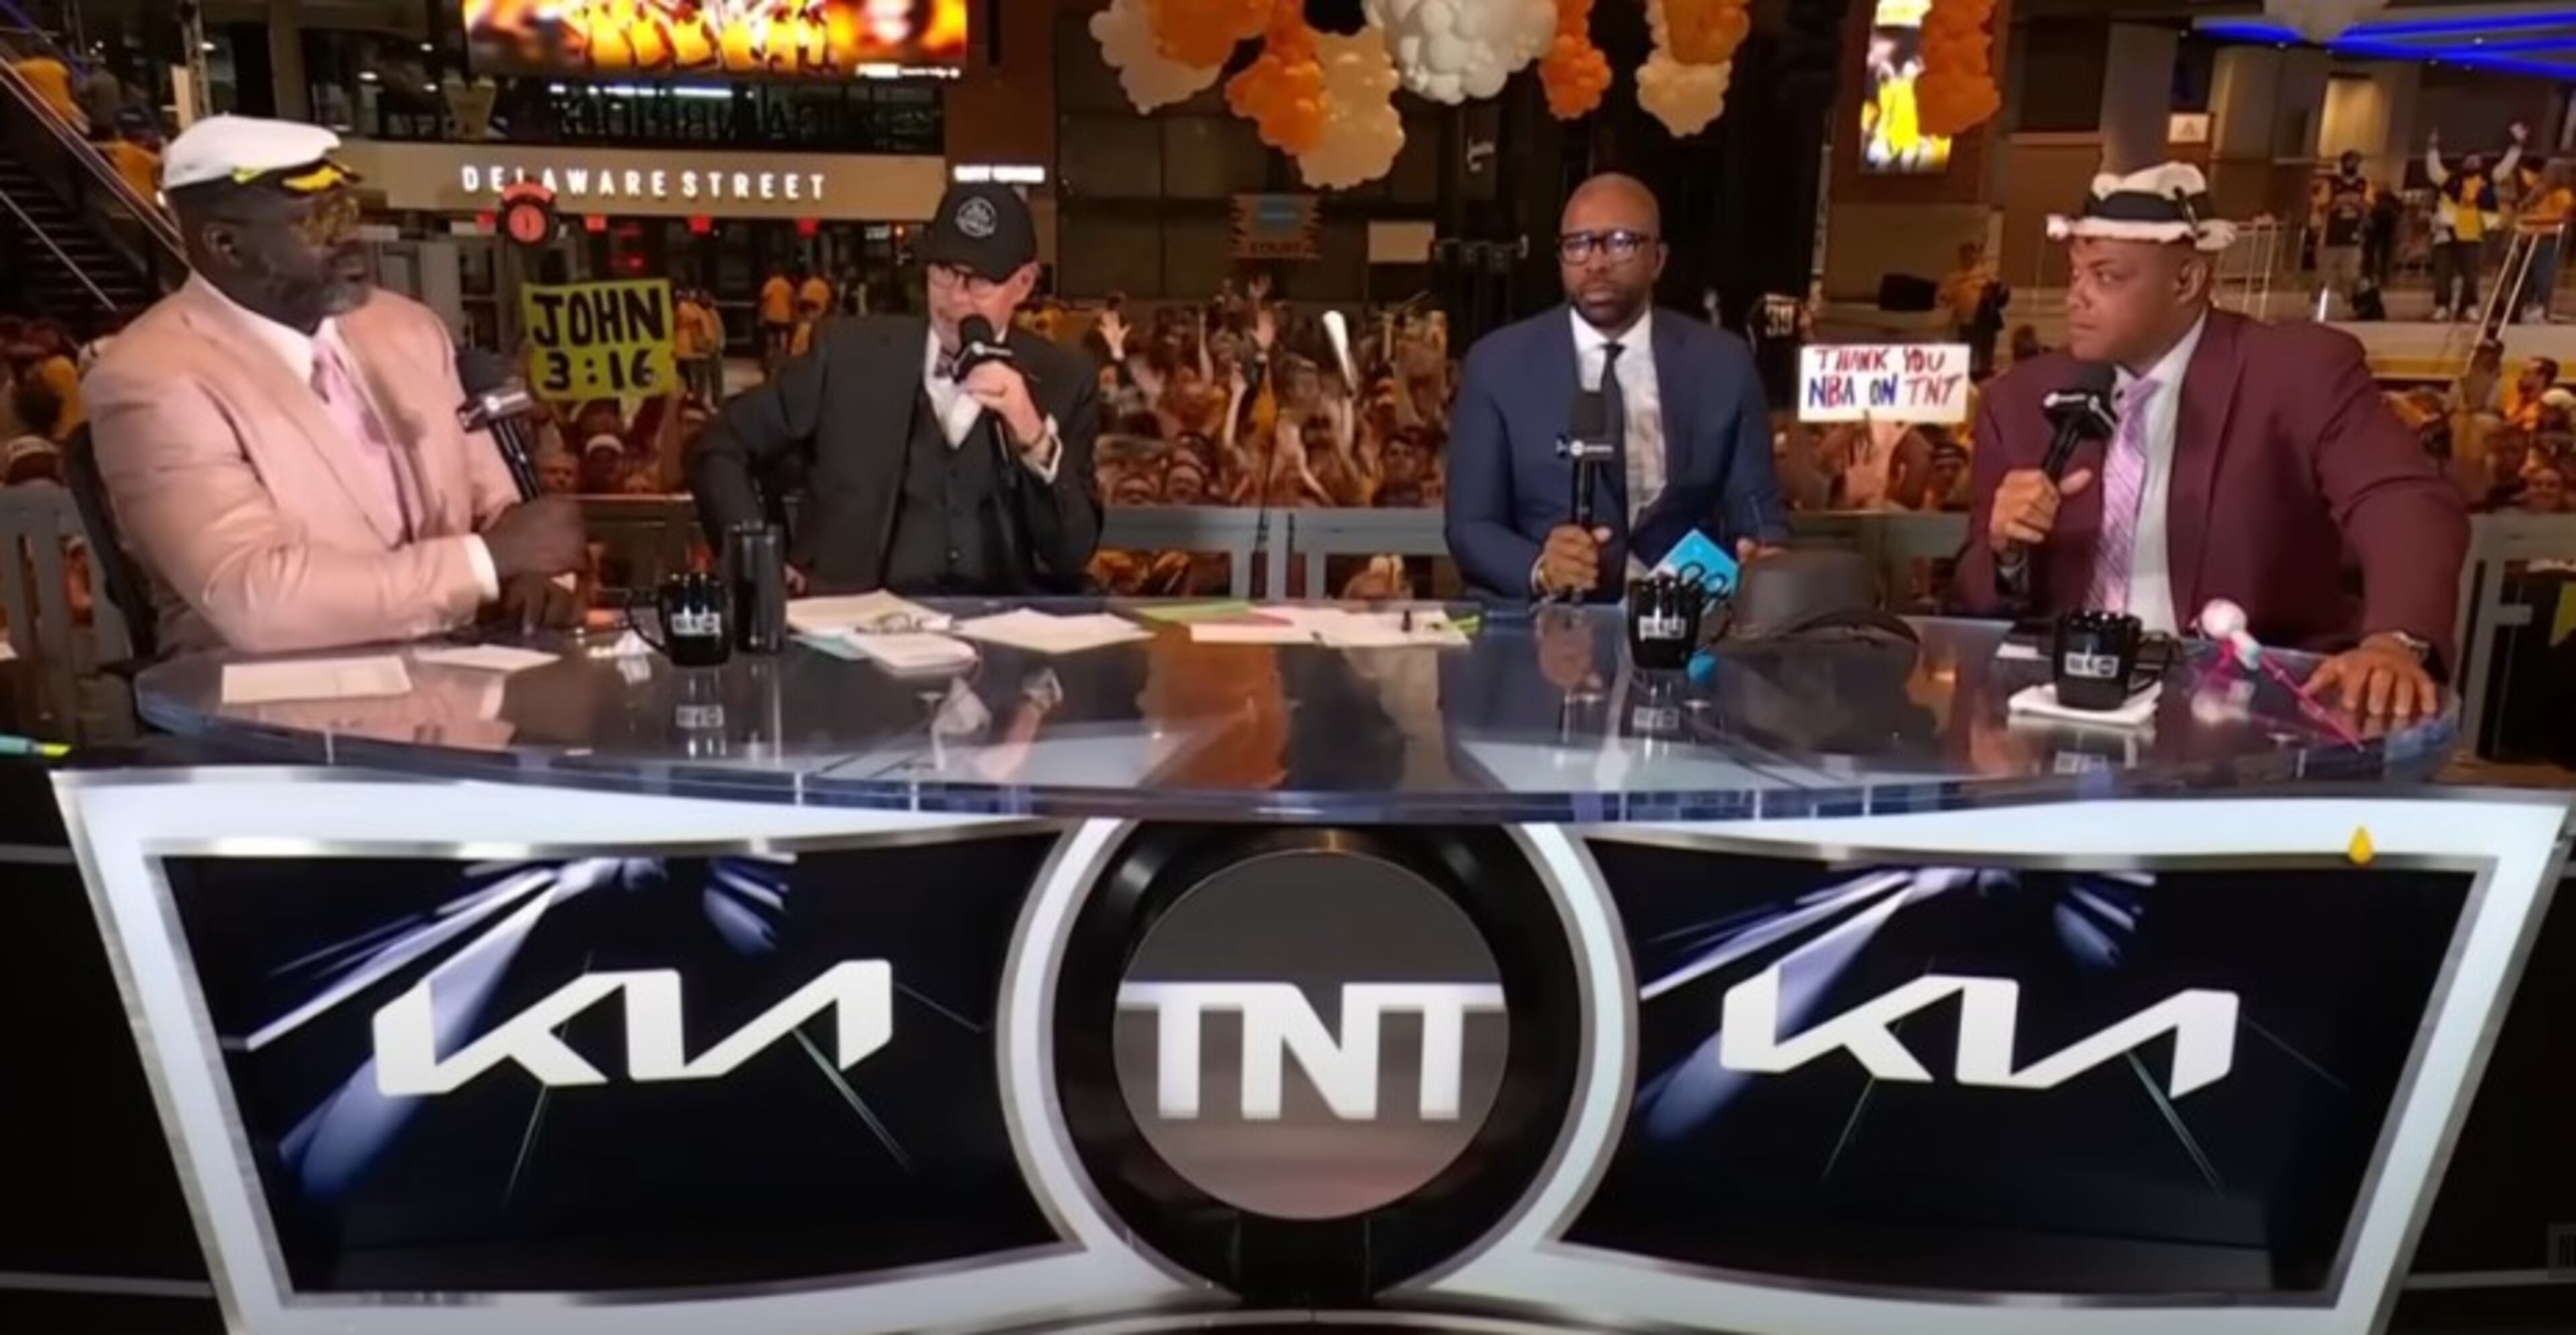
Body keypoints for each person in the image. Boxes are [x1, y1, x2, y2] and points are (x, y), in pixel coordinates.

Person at [1957, 163, 2469, 722]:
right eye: (2075, 273)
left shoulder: (2297, 372)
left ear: (2186, 280)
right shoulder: (2020, 399)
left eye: (2106, 277)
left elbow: (2401, 498)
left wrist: (2395, 641)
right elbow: (1975, 602)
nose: (2076, 297)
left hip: (2252, 715)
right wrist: (2007, 551)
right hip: (2063, 710)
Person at [85, 115, 588, 655]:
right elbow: (257, 602)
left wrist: (535, 576)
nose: (350, 240)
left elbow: (499, 512)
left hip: (456, 671)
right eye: (318, 223)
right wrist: (487, 563)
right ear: (226, 245)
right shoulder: (151, 377)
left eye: (348, 213)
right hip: (268, 694)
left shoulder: (409, 330)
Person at [686, 182, 1100, 597]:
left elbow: (1071, 552)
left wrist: (1033, 437)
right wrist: (757, 561)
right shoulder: (847, 356)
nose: (955, 298)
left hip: (1005, 627)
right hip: (852, 621)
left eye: (979, 282)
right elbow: (720, 442)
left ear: (1024, 283)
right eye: (943, 272)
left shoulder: (1065, 379)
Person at [1444, 172, 1788, 602]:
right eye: (1578, 245)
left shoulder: (1723, 364)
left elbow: (1758, 515)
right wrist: (1540, 567)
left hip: (1691, 619)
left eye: (1620, 242)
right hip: (1545, 623)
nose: (1596, 263)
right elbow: (1470, 526)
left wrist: (1764, 555)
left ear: (1658, 259)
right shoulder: (1497, 365)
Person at [2426, 123, 2526, 323]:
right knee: (2443, 273)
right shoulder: (2450, 181)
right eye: (2469, 159)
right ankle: (2442, 306)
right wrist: (2432, 148)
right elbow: (2434, 170)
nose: (2473, 163)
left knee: (2471, 275)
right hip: (2446, 233)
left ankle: (2469, 306)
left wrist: (2517, 145)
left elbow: (2506, 166)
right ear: (2463, 162)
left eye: (2476, 160)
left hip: (2473, 234)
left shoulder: (2486, 181)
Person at [2316, 150, 2372, 318]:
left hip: (2353, 238)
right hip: (2330, 237)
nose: (2352, 166)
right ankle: (2317, 309)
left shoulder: (2364, 184)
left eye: (2355, 163)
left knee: (2351, 275)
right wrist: (2337, 203)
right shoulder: (2330, 184)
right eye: (2349, 162)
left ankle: (2351, 307)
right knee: (2324, 276)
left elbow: (2369, 208)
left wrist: (2357, 203)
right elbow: (2321, 208)